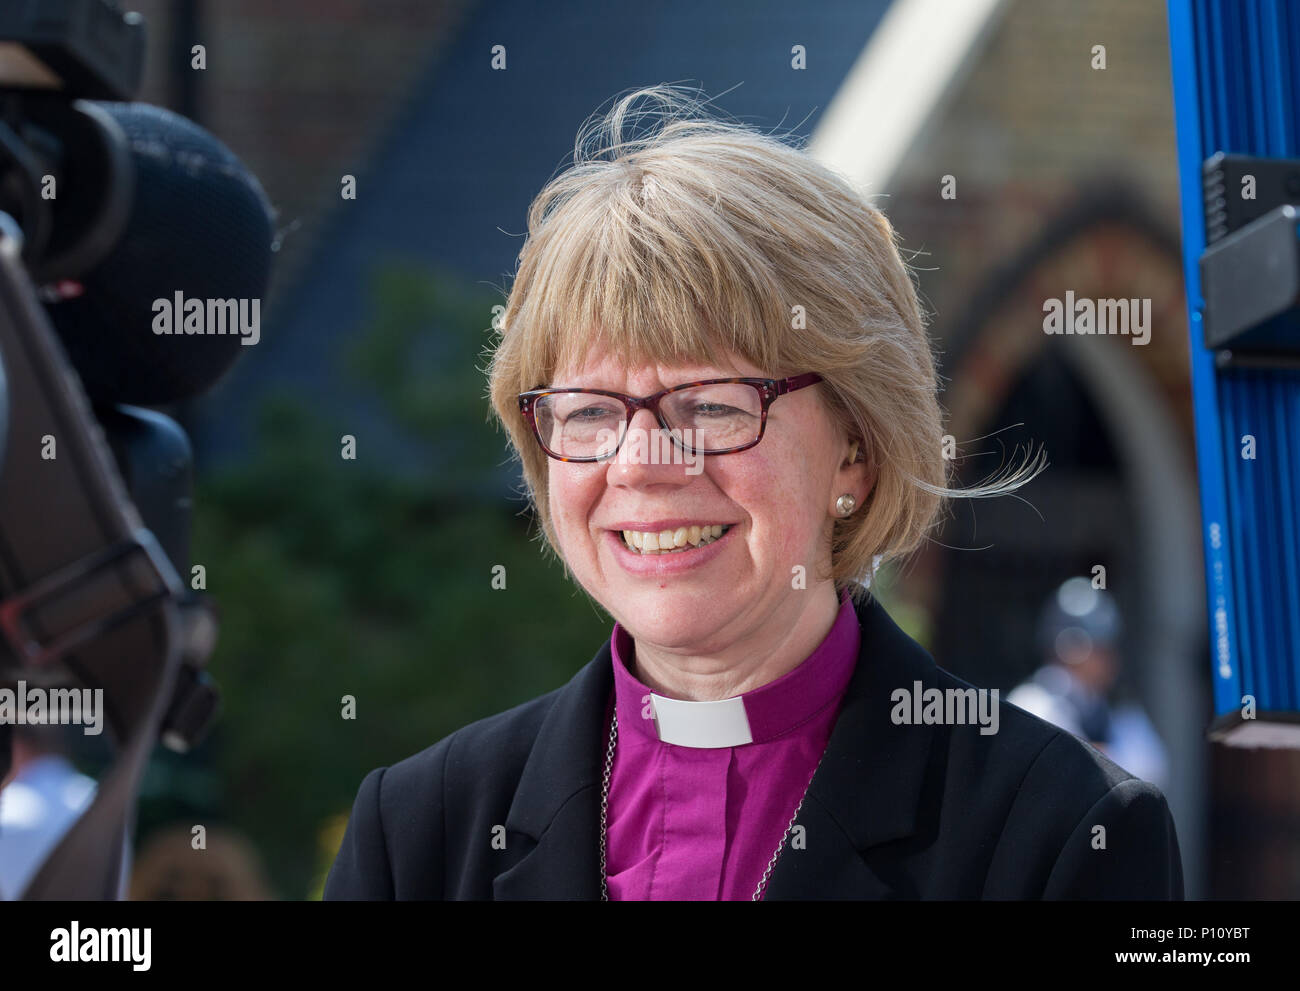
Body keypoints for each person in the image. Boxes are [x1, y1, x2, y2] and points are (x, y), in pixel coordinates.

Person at [324, 84, 1183, 900]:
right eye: (588, 411)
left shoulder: (1059, 831)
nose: (641, 462)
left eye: (711, 404)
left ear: (856, 448)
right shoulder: (419, 834)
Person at [1009, 577, 1170, 790]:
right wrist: (1105, 757)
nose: (1109, 657)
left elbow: (1152, 773)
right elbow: (1059, 776)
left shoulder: (1115, 708)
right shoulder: (1031, 703)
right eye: (1098, 647)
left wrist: (1095, 755)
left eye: (1107, 647)